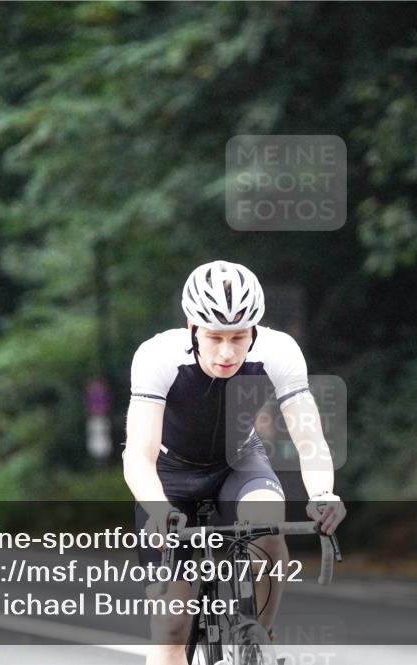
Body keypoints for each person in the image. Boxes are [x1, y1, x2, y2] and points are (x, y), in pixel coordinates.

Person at [123, 259, 346, 665]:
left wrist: (323, 494)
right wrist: (158, 510)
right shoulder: (157, 356)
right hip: (169, 476)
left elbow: (309, 436)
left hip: (237, 461)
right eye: (214, 337)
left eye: (239, 337)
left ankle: (261, 633)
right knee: (171, 627)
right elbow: (139, 454)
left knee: (267, 516)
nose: (227, 352)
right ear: (192, 328)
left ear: (255, 331)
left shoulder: (279, 351)